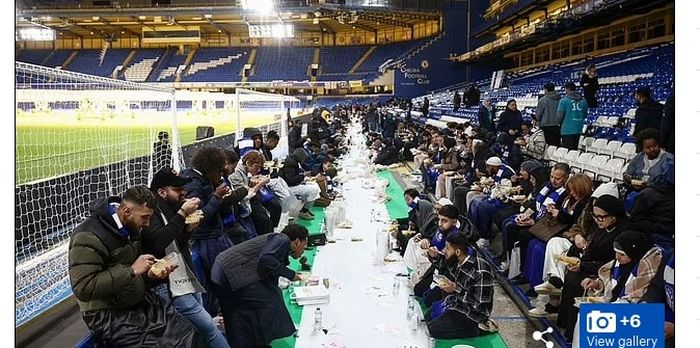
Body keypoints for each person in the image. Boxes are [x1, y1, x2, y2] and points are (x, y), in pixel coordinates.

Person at [68, 186, 198, 346]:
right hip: (107, 313)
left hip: (138, 300)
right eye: (145, 217)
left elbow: (133, 269)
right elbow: (83, 287)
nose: (148, 223)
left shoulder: (132, 227)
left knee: (188, 336)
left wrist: (148, 274)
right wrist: (132, 271)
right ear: (127, 211)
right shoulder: (88, 236)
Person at [142, 169, 230, 348]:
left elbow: (175, 243)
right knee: (209, 330)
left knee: (201, 331)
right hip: (170, 286)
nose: (184, 192)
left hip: (186, 276)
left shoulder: (169, 207)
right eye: (177, 188)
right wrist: (182, 215)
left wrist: (188, 230)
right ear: (161, 192)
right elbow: (158, 242)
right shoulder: (151, 212)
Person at [211, 224, 309, 347]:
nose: (303, 250)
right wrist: (292, 275)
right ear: (297, 242)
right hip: (229, 273)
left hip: (221, 272)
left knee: (238, 313)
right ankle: (262, 339)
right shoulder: (282, 239)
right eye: (304, 245)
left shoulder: (276, 241)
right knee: (271, 298)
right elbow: (266, 258)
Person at [554, 195, 629, 341]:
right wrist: (580, 263)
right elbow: (590, 250)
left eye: (600, 217)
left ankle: (575, 332)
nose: (596, 220)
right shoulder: (601, 227)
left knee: (577, 281)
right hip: (593, 266)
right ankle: (567, 325)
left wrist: (583, 266)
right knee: (572, 275)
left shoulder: (623, 234)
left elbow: (612, 263)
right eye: (595, 216)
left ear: (613, 217)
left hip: (608, 272)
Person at [181, 147, 234, 315]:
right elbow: (199, 219)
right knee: (218, 279)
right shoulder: (193, 185)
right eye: (219, 171)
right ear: (210, 169)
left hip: (214, 235)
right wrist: (217, 197)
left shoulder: (201, 179)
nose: (220, 175)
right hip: (206, 239)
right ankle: (217, 314)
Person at [424, 232, 494, 339]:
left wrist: (456, 289)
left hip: (473, 315)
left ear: (457, 251)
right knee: (428, 317)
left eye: (447, 248)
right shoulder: (458, 260)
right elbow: (444, 263)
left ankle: (475, 330)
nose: (444, 251)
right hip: (457, 303)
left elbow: (481, 307)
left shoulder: (481, 271)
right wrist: (434, 256)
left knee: (433, 329)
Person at [279, 148, 321, 220]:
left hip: (290, 185)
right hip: (288, 188)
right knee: (313, 190)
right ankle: (304, 211)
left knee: (315, 186)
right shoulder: (291, 163)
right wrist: (303, 175)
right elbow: (290, 180)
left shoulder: (292, 160)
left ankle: (305, 209)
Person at [396, 188, 437, 254]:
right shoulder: (414, 208)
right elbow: (412, 220)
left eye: (408, 199)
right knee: (401, 232)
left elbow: (428, 232)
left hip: (425, 236)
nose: (407, 202)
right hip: (420, 231)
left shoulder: (422, 206)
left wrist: (421, 235)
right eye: (405, 200)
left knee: (408, 238)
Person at [558, 82, 588, 150]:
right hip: (578, 128)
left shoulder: (564, 100)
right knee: (575, 150)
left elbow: (559, 116)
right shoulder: (583, 100)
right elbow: (585, 114)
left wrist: (560, 123)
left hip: (567, 129)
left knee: (567, 151)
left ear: (567, 89)